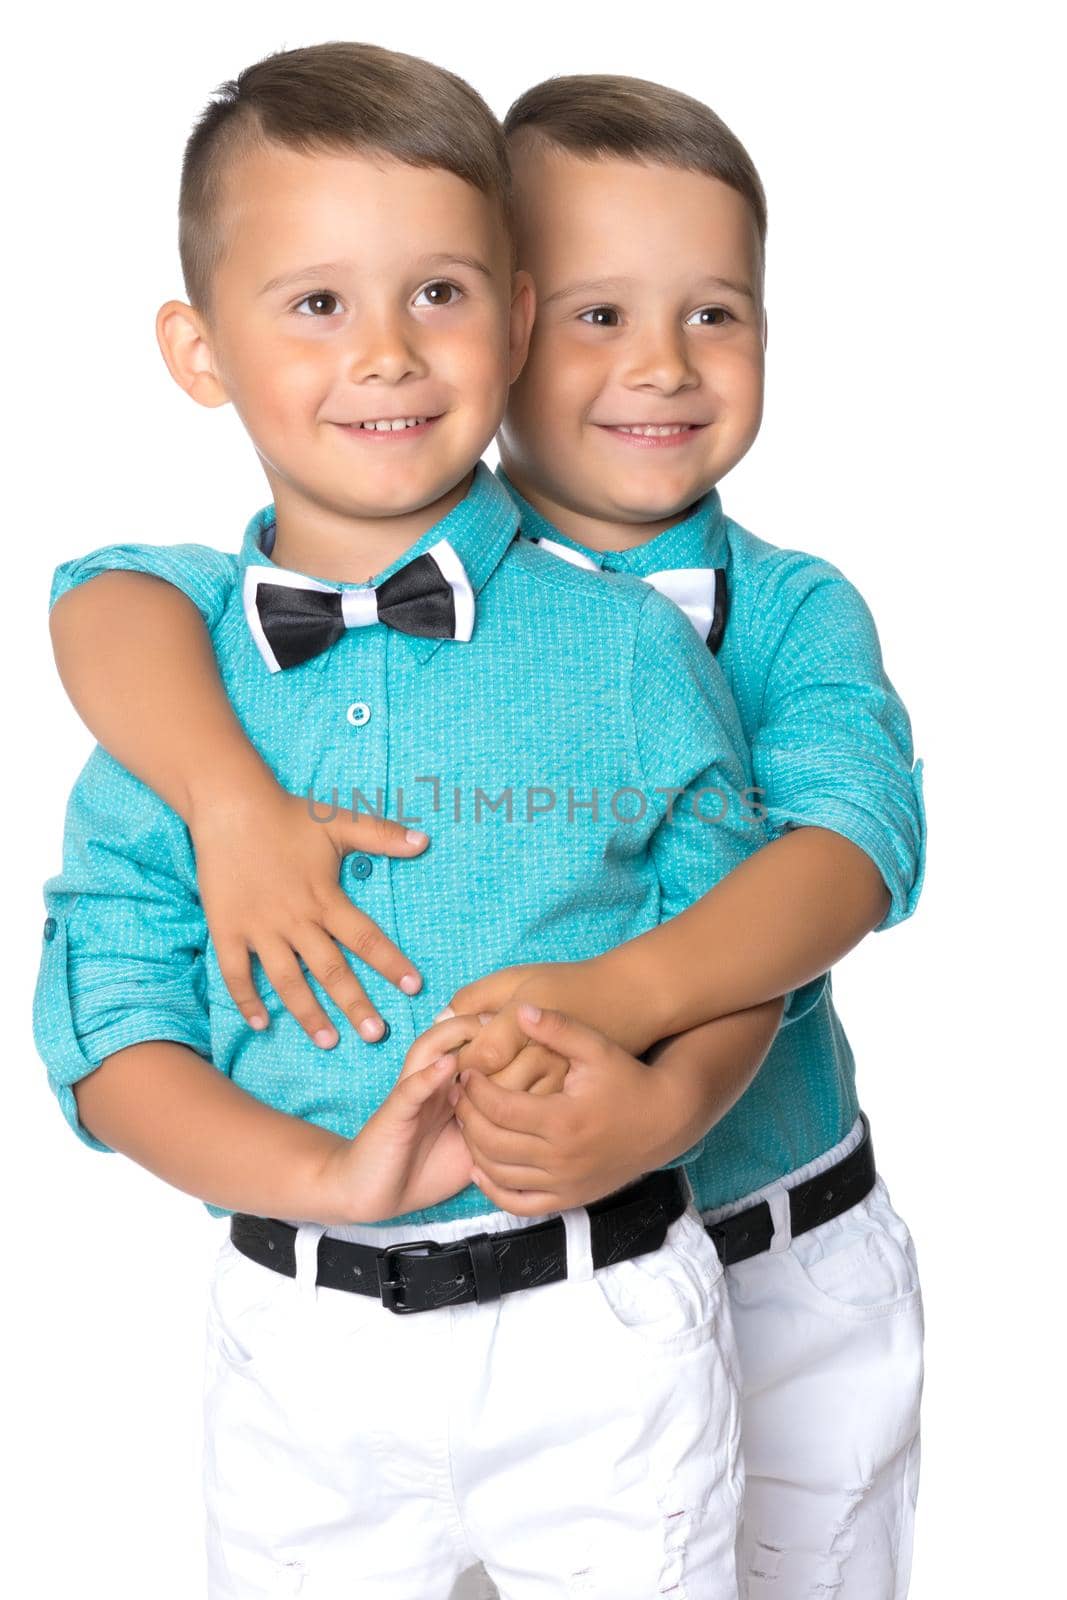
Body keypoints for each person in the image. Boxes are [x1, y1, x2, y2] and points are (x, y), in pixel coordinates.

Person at [34, 43, 787, 1600]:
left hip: (610, 1331)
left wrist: (665, 1113)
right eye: (315, 303)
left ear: (514, 322)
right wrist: (326, 1180)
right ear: (200, 349)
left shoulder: (635, 651)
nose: (384, 354)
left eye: (436, 294)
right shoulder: (168, 701)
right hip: (302, 1355)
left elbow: (740, 957)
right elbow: (109, 1041)